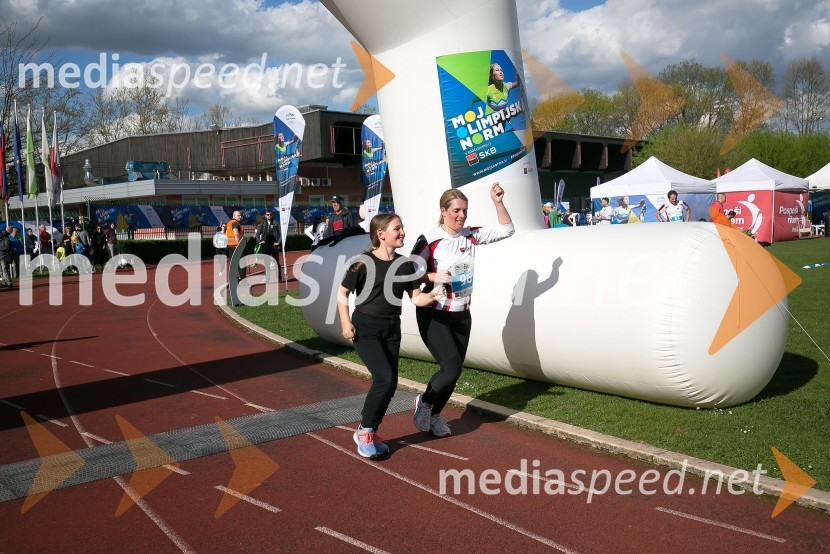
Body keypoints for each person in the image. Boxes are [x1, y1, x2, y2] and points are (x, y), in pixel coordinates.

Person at [338, 213, 446, 458]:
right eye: (397, 229)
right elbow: (342, 293)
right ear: (381, 234)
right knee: (384, 379)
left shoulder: (405, 264)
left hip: (391, 329)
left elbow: (416, 298)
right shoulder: (361, 262)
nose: (402, 233)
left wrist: (433, 296)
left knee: (391, 383)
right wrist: (346, 324)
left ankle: (372, 431)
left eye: (402, 228)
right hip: (365, 328)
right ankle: (364, 431)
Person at [412, 182, 514, 437]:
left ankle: (435, 416)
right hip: (434, 312)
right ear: (443, 211)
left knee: (453, 373)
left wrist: (498, 201)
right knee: (452, 368)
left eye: (464, 211)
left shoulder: (470, 235)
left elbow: (507, 229)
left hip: (461, 312)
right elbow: (408, 271)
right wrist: (433, 276)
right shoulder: (430, 238)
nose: (461, 216)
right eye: (456, 210)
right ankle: (424, 402)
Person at [255, 209, 282, 279]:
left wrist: (278, 242)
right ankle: (267, 277)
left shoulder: (276, 222)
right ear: (265, 215)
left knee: (276, 261)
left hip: (274, 245)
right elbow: (257, 233)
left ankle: (279, 277)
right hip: (265, 245)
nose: (269, 216)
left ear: (272, 215)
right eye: (267, 214)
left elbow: (282, 233)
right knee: (266, 262)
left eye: (270, 214)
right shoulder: (262, 223)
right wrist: (259, 242)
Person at [226, 210, 246, 279]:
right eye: (239, 215)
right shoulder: (235, 223)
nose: (240, 217)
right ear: (234, 216)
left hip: (230, 246)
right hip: (236, 246)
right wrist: (239, 244)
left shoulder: (229, 223)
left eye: (241, 215)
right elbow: (236, 233)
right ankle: (243, 280)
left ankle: (234, 279)